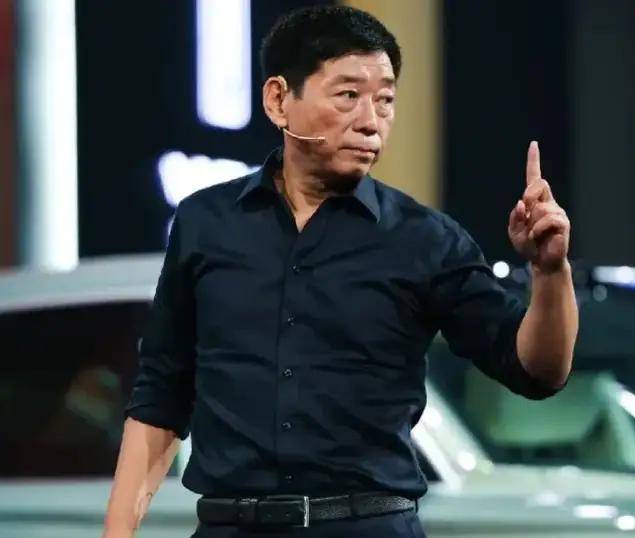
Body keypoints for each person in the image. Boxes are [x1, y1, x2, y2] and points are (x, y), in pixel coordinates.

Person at [102, 6, 577, 538]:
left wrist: (549, 271)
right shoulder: (205, 223)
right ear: (279, 100)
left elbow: (537, 370)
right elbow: (161, 396)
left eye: (385, 100)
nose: (371, 121)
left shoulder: (425, 239)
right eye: (348, 95)